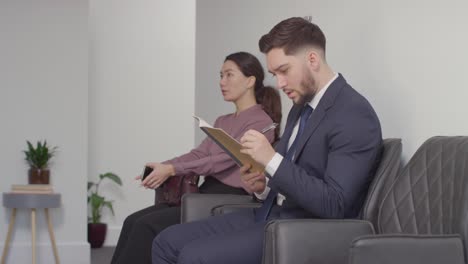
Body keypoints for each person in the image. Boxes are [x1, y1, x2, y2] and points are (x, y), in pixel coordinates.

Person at [151, 17, 383, 264]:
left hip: (300, 229)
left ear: (312, 60)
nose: (280, 83)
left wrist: (271, 160)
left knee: (193, 256)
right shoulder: (301, 106)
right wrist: (262, 185)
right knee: (165, 242)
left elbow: (334, 204)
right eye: (275, 74)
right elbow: (288, 174)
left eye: (284, 71)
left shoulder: (353, 113)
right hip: (269, 213)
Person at [111, 51, 282, 264]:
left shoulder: (260, 121)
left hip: (232, 197)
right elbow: (200, 154)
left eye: (229, 75)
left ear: (250, 80)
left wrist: (173, 170)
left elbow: (222, 159)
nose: (222, 82)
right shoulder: (223, 120)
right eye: (221, 76)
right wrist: (165, 166)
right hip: (203, 193)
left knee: (146, 226)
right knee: (132, 221)